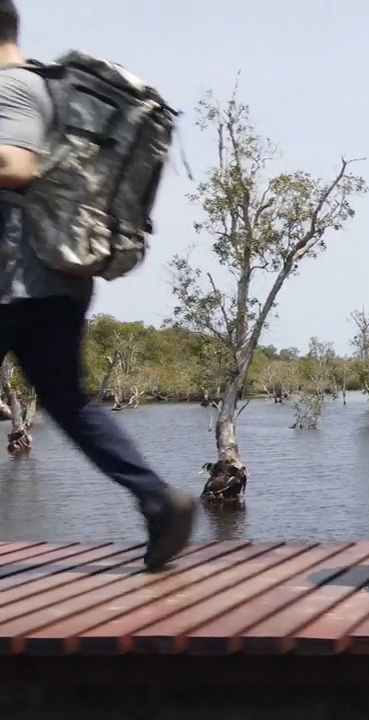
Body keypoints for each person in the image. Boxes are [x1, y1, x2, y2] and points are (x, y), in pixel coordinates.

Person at [0, 0, 195, 570]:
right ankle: (158, 499)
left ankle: (158, 498)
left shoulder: (11, 88)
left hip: (14, 278)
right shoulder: (43, 87)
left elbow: (16, 166)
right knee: (70, 403)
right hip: (53, 282)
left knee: (71, 402)